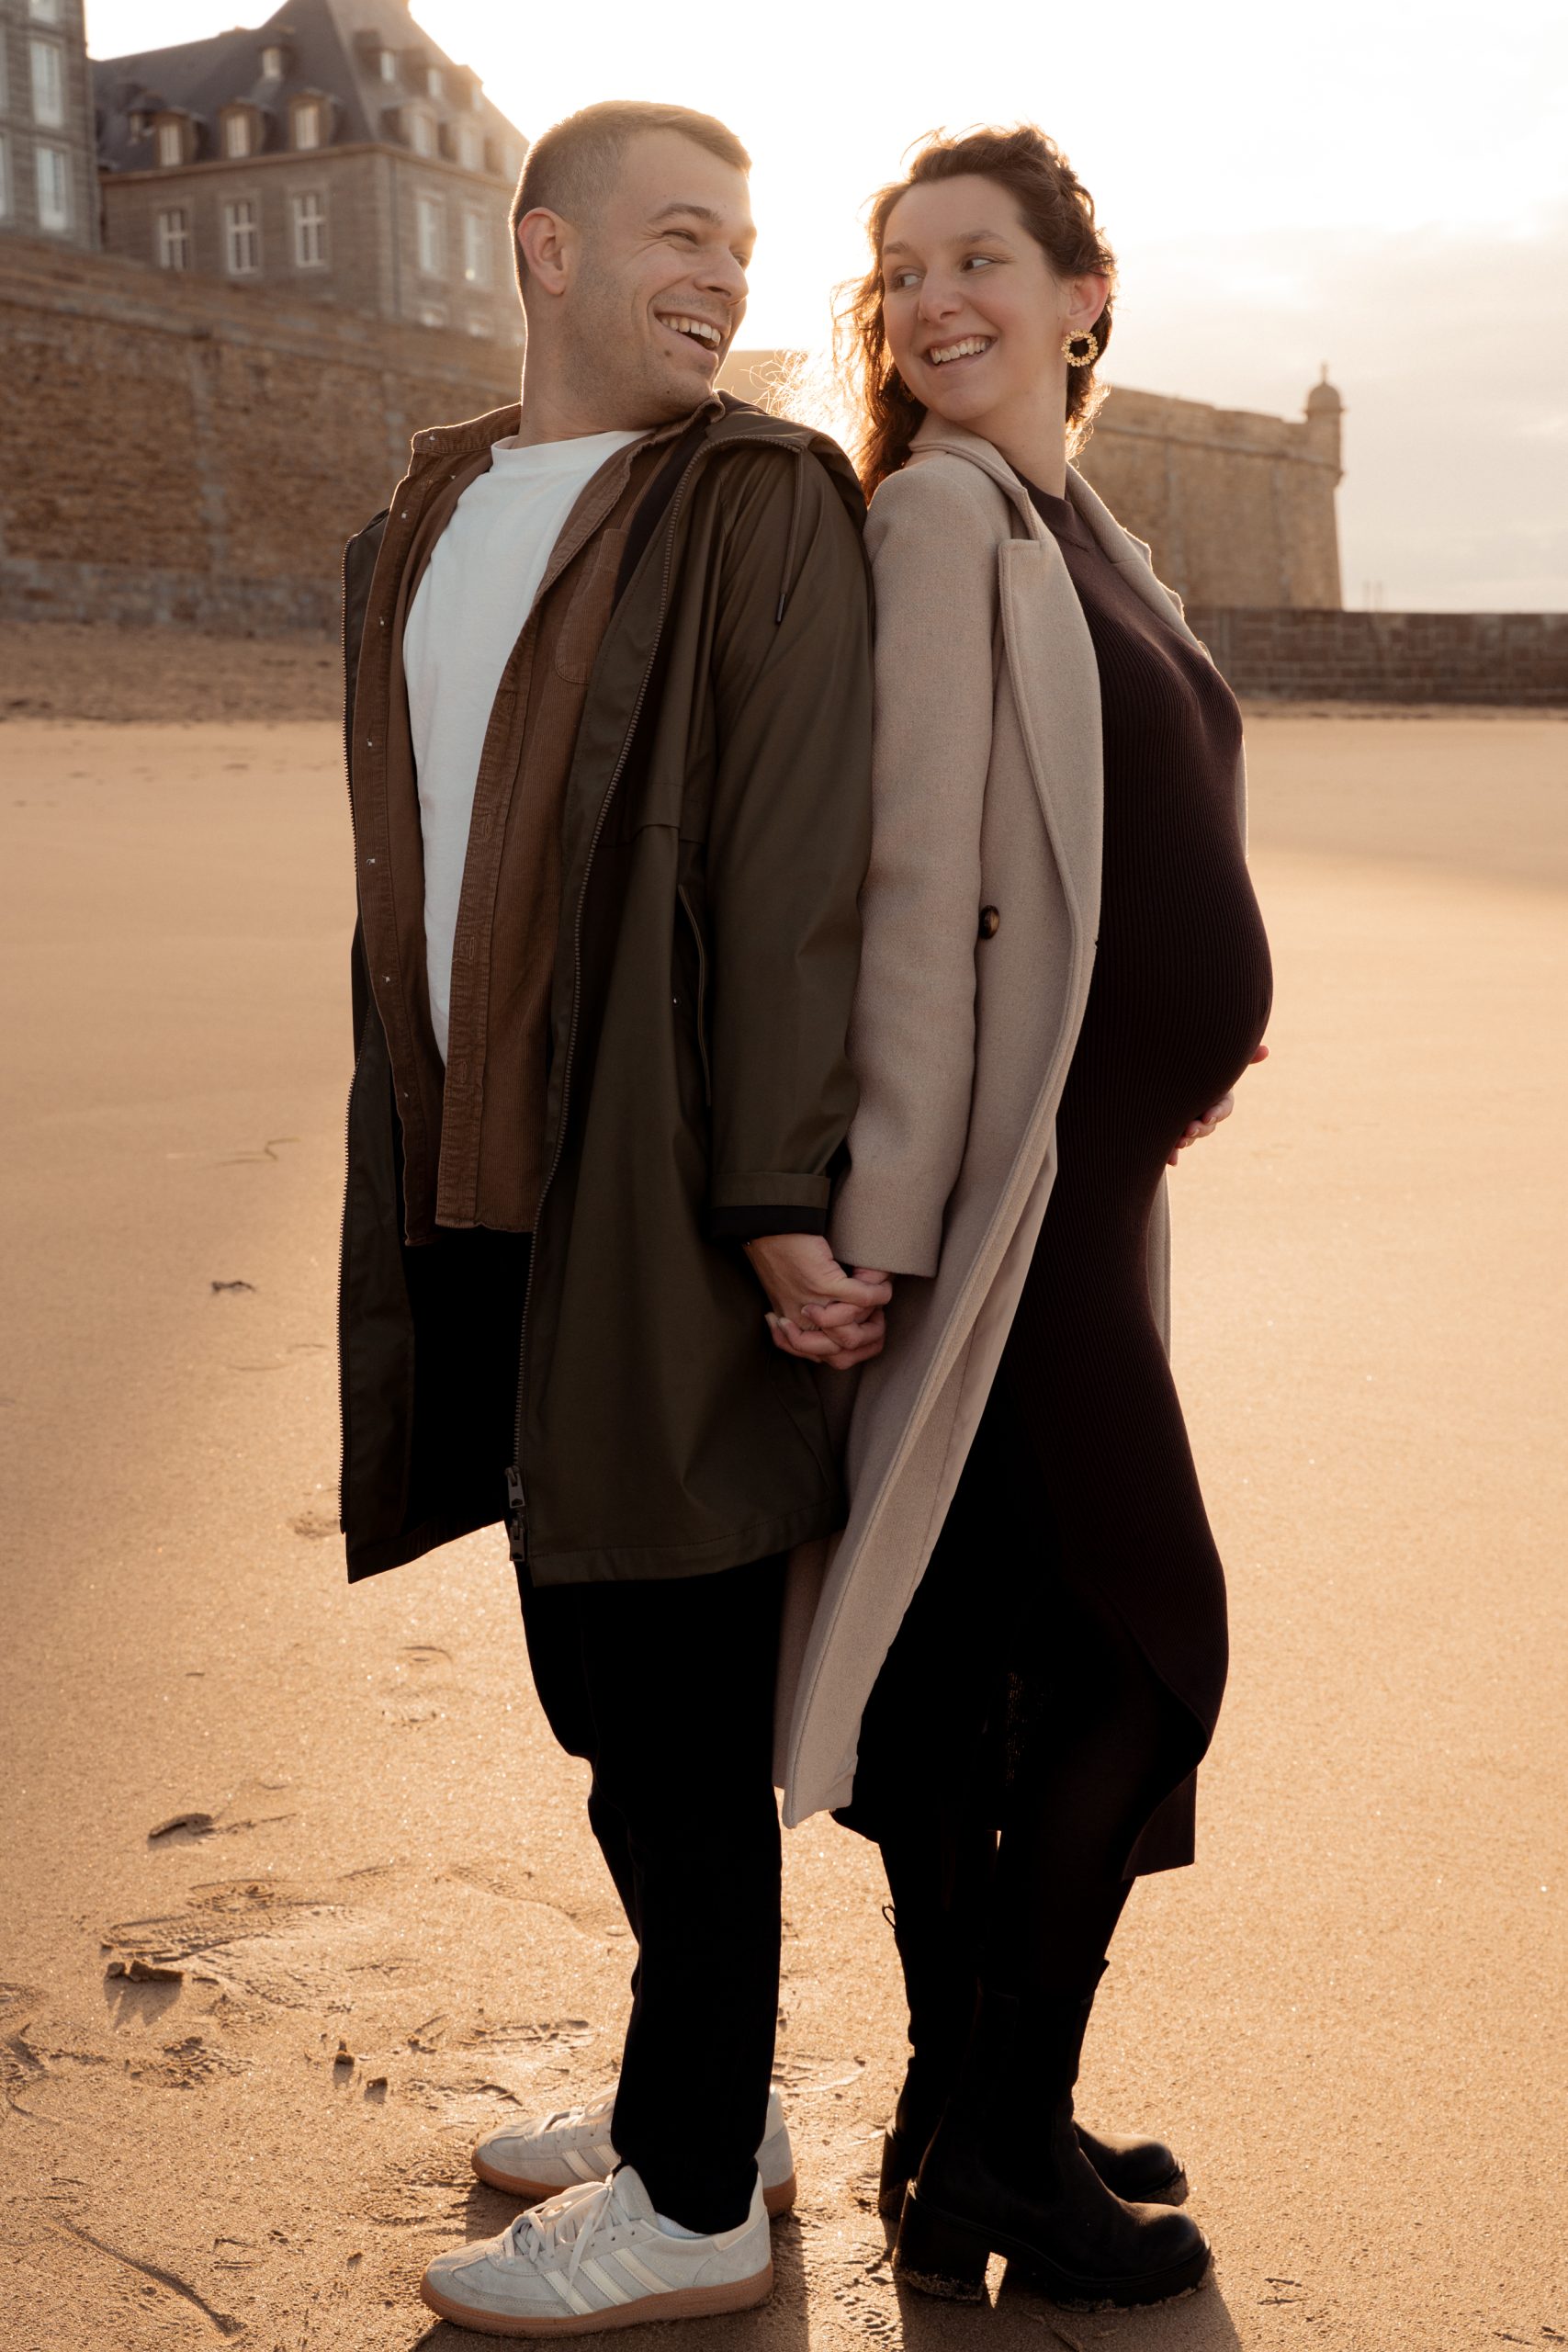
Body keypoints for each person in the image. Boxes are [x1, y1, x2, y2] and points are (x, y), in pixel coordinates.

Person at [334, 99, 884, 2337]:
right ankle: (712, 2091)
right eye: (675, 233)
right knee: (595, 1674)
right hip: (472, 1181)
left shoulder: (757, 499)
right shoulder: (429, 509)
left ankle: (692, 2195)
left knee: (665, 1688)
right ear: (542, 248)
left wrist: (770, 1186)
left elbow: (794, 856)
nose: (721, 276)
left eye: (737, 244)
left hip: (664, 1191)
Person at [773, 125, 1272, 2309]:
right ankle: (992, 2136)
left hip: (1095, 1183)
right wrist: (886, 1222)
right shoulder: (940, 522)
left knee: (1006, 1657)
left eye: (974, 259)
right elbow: (907, 893)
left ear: (1083, 292)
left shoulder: (1082, 524)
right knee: (1155, 1655)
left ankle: (960, 2105)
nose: (928, 301)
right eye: (899, 271)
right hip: (1013, 1205)